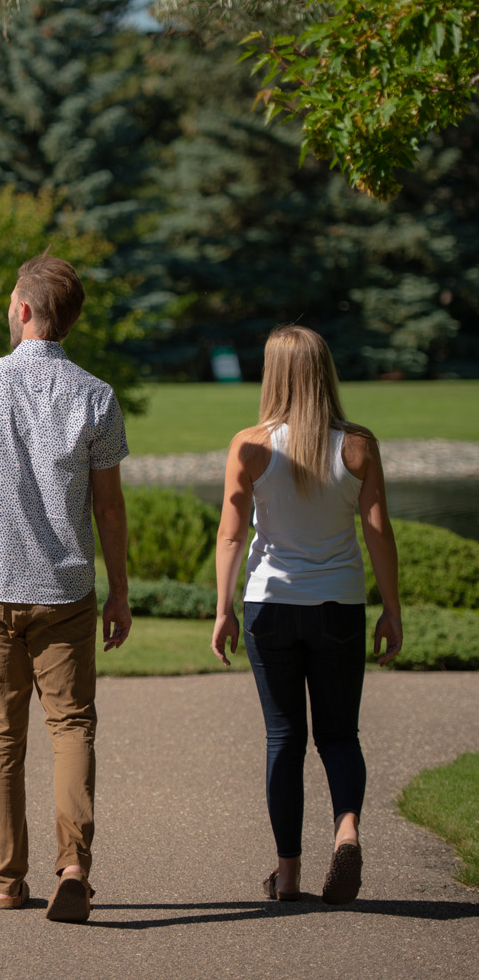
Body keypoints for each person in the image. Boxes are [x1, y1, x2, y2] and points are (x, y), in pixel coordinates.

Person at [0, 253, 132, 925]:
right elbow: (109, 509)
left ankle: (7, 881)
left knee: (1, 737)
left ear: (21, 311)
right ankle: (73, 867)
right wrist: (120, 591)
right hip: (66, 589)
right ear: (69, 320)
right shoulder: (96, 395)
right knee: (71, 727)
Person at [211, 324, 402, 905]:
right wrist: (391, 611)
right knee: (340, 736)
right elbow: (378, 534)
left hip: (270, 608)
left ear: (274, 374)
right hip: (339, 606)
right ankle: (346, 831)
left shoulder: (250, 444)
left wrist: (221, 610)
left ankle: (288, 874)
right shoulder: (358, 446)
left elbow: (230, 533)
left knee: (284, 738)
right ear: (324, 372)